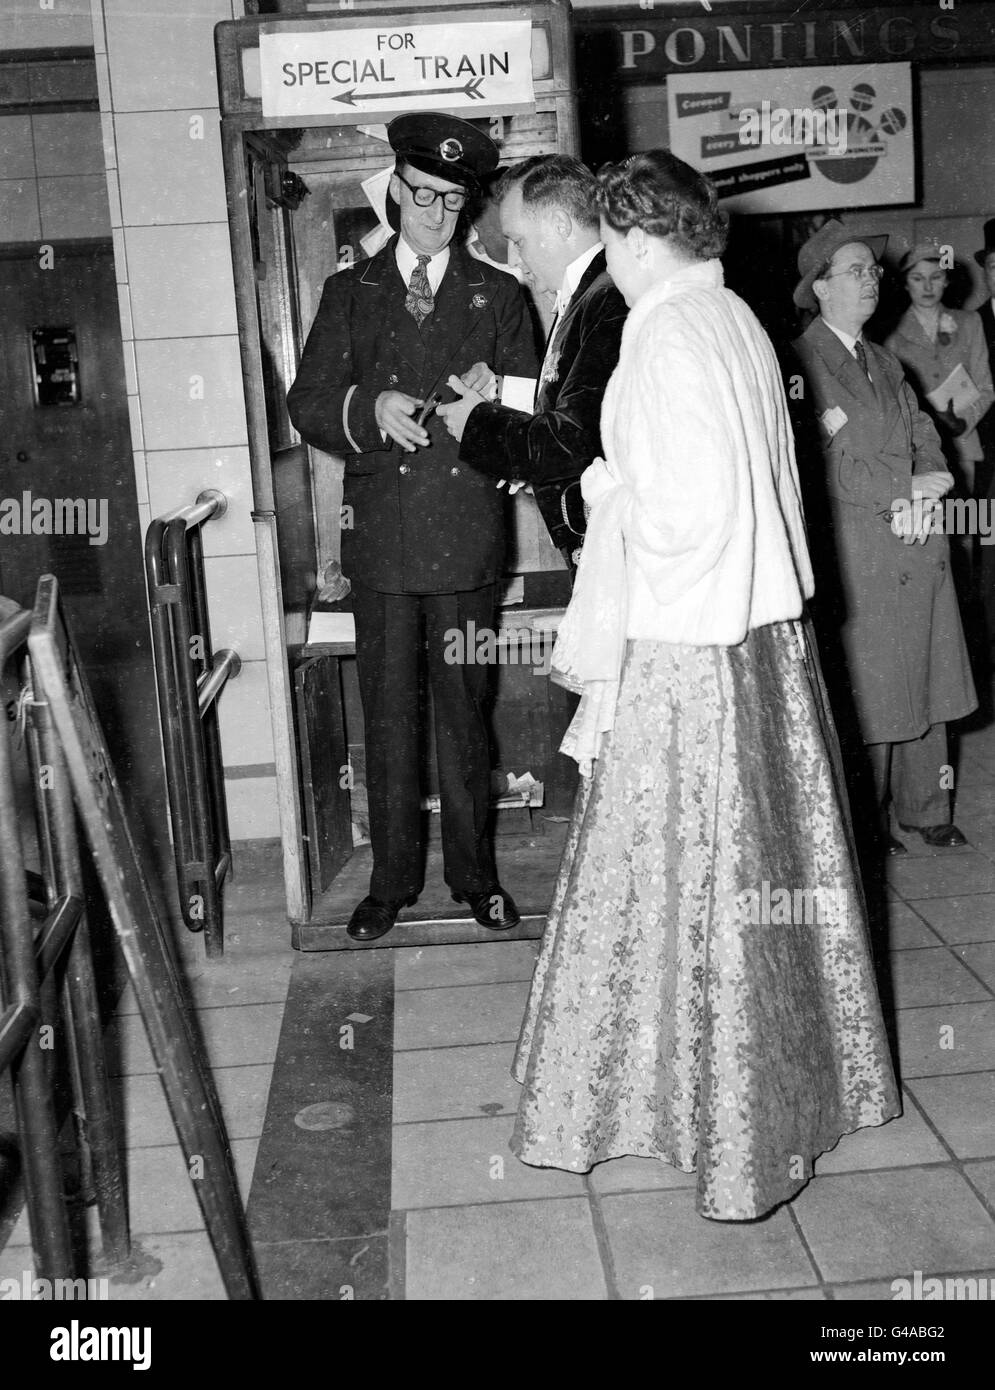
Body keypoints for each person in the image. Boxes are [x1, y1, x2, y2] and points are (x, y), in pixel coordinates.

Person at [510, 152, 900, 1222]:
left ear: (636, 242)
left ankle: (676, 1113)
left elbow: (680, 517)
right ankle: (778, 1095)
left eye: (612, 255)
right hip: (763, 640)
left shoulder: (662, 329)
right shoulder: (733, 319)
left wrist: (603, 487)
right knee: (762, 875)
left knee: (657, 871)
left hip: (687, 645)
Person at [287, 113, 537, 942]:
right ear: (394, 187)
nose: (434, 214)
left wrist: (489, 401)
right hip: (385, 547)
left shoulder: (497, 294)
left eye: (452, 201)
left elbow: (535, 404)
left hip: (465, 543)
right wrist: (369, 406)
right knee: (389, 721)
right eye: (422, 194)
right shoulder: (347, 292)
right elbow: (308, 401)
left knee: (465, 719)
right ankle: (390, 884)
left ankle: (477, 878)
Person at [792, 220, 976, 854]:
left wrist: (933, 476)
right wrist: (905, 489)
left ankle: (927, 807)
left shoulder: (884, 358)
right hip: (860, 543)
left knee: (928, 667)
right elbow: (823, 460)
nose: (872, 278)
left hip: (916, 534)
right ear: (819, 288)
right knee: (873, 682)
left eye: (872, 270)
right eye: (854, 270)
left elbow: (926, 426)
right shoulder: (802, 361)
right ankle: (865, 821)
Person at [438, 156, 628, 571]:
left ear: (560, 224)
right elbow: (581, 399)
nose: (513, 258)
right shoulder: (592, 291)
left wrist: (478, 424)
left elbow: (575, 440)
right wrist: (502, 392)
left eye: (518, 240)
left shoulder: (608, 298)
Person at [884, 242, 993, 499]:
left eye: (936, 277)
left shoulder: (969, 322)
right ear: (905, 283)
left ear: (946, 281)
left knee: (964, 528)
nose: (928, 286)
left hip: (964, 447)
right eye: (918, 278)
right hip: (916, 452)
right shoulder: (890, 335)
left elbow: (986, 387)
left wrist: (961, 422)